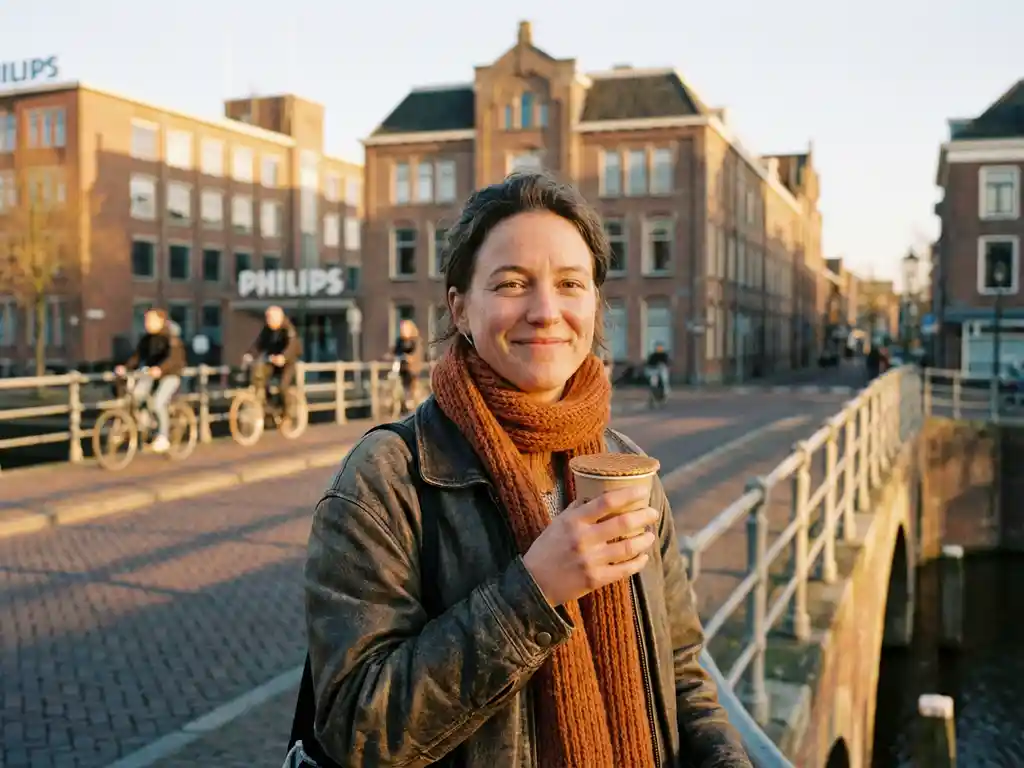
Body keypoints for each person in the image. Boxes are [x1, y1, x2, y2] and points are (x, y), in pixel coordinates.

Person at [299, 172, 751, 767]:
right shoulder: (386, 481)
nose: (545, 311)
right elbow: (359, 730)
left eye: (570, 283)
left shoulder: (628, 470)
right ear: (460, 308)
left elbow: (682, 675)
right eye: (512, 284)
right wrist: (534, 592)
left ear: (594, 303)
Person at [115, 308, 185, 453]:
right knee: (137, 395)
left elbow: (173, 358)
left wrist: (161, 369)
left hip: (170, 374)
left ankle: (163, 437)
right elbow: (137, 356)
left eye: (151, 320)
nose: (147, 323)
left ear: (160, 321)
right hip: (151, 374)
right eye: (146, 320)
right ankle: (145, 425)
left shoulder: (170, 338)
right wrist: (125, 368)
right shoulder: (147, 339)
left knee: (159, 402)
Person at [244, 305, 302, 409]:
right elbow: (259, 344)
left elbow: (292, 345)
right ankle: (269, 406)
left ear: (279, 318)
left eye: (270, 318)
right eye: (267, 318)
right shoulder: (267, 329)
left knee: (283, 387)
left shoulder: (288, 328)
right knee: (261, 379)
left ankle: (287, 413)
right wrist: (250, 354)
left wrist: (284, 357)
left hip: (288, 363)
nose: (268, 320)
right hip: (272, 360)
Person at [389, 318, 423, 412]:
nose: (403, 331)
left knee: (410, 388)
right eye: (402, 329)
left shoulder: (415, 340)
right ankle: (401, 406)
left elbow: (416, 354)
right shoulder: (400, 341)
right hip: (400, 369)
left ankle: (410, 405)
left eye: (405, 329)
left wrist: (409, 359)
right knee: (398, 387)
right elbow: (395, 352)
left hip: (411, 370)